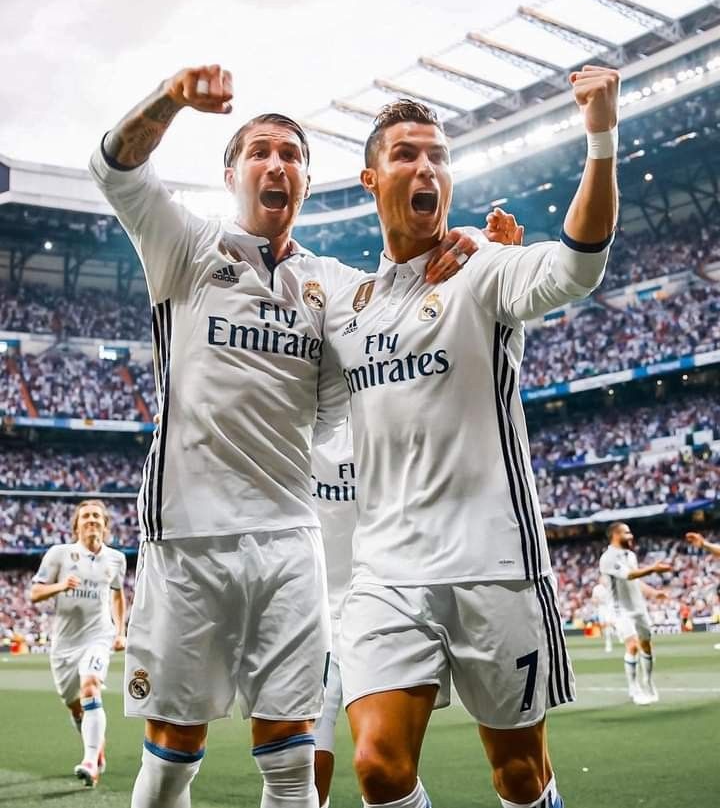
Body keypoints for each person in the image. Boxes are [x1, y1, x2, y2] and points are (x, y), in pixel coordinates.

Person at [88, 64, 479, 808]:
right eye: (261, 151)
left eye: (293, 154)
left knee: (293, 766)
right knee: (173, 760)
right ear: (231, 171)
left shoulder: (331, 283)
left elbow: (395, 308)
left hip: (290, 544)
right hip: (188, 540)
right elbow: (113, 164)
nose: (278, 163)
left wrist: (445, 251)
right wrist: (174, 97)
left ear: (305, 180)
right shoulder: (186, 247)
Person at [321, 63, 621, 808]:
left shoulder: (481, 269)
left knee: (519, 775)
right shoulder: (344, 304)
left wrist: (602, 137)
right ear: (370, 180)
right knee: (379, 767)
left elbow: (577, 266)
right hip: (386, 568)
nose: (427, 167)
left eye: (439, 155)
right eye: (407, 154)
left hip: (493, 561)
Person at [311, 215, 522, 808]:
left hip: (422, 578)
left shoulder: (406, 420)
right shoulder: (295, 432)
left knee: (519, 772)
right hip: (319, 619)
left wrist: (483, 250)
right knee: (329, 773)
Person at [30, 499, 127, 788]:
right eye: (85, 516)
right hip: (64, 644)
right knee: (77, 708)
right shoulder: (59, 554)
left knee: (91, 686)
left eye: (97, 516)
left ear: (106, 525)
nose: (92, 520)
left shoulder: (116, 559)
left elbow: (118, 595)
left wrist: (120, 631)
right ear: (76, 525)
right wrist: (61, 586)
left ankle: (89, 760)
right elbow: (34, 593)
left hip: (98, 636)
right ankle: (97, 747)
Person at [599, 522, 672, 705]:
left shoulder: (630, 555)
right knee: (632, 646)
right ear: (615, 535)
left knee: (646, 645)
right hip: (620, 609)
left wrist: (654, 593)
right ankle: (634, 688)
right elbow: (629, 575)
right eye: (627, 532)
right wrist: (653, 569)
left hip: (639, 608)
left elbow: (635, 581)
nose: (631, 536)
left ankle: (647, 681)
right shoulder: (607, 558)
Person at [590, 580, 615, 653]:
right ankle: (610, 637)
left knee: (609, 624)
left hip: (611, 607)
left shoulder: (612, 586)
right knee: (604, 626)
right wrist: (596, 601)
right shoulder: (597, 588)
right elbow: (593, 599)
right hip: (601, 608)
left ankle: (609, 644)